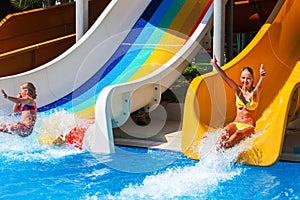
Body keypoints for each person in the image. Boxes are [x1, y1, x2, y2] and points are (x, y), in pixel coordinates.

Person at [210, 55, 266, 148]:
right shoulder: (238, 91)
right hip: (236, 124)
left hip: (248, 127)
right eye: (243, 78)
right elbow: (226, 78)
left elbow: (259, 87)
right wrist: (215, 65)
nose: (245, 80)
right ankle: (215, 152)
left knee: (237, 135)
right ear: (240, 78)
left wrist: (262, 77)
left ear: (252, 80)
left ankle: (222, 152)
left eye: (248, 78)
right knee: (225, 132)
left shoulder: (254, 94)